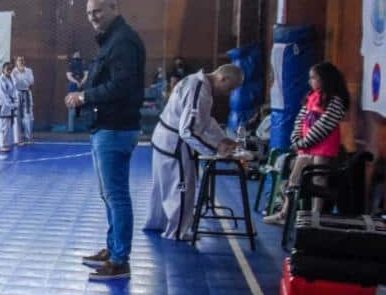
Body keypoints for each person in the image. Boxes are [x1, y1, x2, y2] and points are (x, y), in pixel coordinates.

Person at [65, 0, 145, 281]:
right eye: (89, 14)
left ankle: (120, 259)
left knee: (117, 196)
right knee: (109, 195)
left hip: (115, 127)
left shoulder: (123, 41)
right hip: (106, 127)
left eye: (98, 11)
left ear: (114, 7)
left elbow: (122, 86)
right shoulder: (112, 41)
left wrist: (84, 96)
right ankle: (113, 249)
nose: (93, 18)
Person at [144, 65, 243, 240]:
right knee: (181, 189)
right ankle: (177, 232)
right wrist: (215, 150)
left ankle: (157, 223)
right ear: (222, 78)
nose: (229, 93)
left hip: (164, 140)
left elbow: (204, 120)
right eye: (230, 88)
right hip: (175, 145)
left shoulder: (194, 81)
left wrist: (221, 138)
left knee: (162, 186)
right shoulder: (199, 89)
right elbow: (188, 130)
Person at [263, 62, 350, 225]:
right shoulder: (311, 96)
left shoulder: (335, 101)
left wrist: (302, 143)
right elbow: (299, 120)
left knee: (319, 178)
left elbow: (324, 125)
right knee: (295, 177)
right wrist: (296, 140)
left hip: (323, 149)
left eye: (313, 77)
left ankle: (316, 215)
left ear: (325, 79)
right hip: (306, 148)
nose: (310, 81)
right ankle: (285, 212)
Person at [0, 61, 18, 152]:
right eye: (7, 69)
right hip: (3, 104)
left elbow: (14, 92)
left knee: (8, 124)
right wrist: (11, 105)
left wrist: (15, 103)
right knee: (2, 125)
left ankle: (7, 143)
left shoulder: (11, 78)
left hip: (10, 104)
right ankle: (2, 145)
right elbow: (2, 94)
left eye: (10, 69)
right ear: (3, 70)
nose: (9, 70)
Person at [12, 56, 35, 145]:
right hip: (17, 94)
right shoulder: (13, 71)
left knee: (28, 116)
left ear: (24, 62)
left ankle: (29, 137)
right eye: (19, 60)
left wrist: (22, 81)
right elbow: (15, 83)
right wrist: (25, 81)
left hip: (27, 93)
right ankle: (18, 139)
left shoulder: (29, 70)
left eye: (22, 60)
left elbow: (31, 81)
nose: (21, 62)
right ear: (16, 62)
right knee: (17, 117)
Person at [66, 51, 88, 132]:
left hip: (72, 88)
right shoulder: (84, 63)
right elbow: (86, 74)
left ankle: (70, 129)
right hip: (81, 88)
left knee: (71, 106)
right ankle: (85, 127)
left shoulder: (70, 64)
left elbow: (68, 76)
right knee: (82, 104)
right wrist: (81, 82)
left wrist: (75, 82)